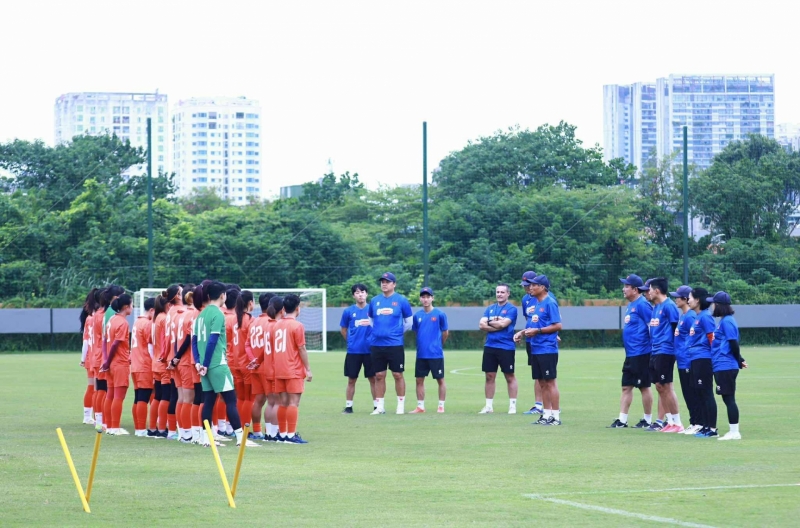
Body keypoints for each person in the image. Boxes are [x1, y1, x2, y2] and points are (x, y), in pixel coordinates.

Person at [192, 281, 252, 448]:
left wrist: (198, 363)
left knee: (209, 401)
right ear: (222, 295)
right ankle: (240, 438)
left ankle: (206, 438)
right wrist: (205, 363)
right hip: (217, 363)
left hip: (204, 366)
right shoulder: (218, 314)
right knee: (230, 400)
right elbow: (212, 340)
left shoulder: (200, 315)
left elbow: (194, 342)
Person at [607, 274, 654, 429]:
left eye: (626, 286)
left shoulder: (642, 304)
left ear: (635, 289)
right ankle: (622, 420)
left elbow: (652, 327)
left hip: (642, 353)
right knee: (626, 386)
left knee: (644, 386)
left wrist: (652, 349)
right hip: (631, 354)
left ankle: (647, 420)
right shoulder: (631, 305)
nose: (623, 289)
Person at [515, 275, 562, 425]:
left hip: (547, 348)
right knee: (542, 383)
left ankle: (556, 416)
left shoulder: (550, 303)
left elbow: (558, 325)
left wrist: (538, 331)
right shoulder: (537, 304)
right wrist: (522, 333)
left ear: (542, 287)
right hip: (535, 348)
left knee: (550, 382)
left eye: (534, 285)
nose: (530, 287)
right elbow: (534, 325)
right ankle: (546, 415)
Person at [368, 272, 413, 415]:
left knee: (397, 374)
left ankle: (400, 406)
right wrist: (378, 332)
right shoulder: (374, 301)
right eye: (382, 281)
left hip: (395, 344)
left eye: (387, 281)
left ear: (394, 284)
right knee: (379, 375)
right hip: (377, 344)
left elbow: (409, 322)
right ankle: (380, 407)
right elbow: (370, 320)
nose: (384, 284)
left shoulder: (401, 300)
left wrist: (397, 333)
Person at [708, 291, 748, 441]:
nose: (712, 306)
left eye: (714, 304)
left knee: (729, 399)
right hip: (721, 365)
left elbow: (733, 343)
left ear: (719, 305)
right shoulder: (724, 321)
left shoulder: (727, 321)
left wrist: (737, 360)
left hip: (726, 365)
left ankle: (734, 432)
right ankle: (733, 431)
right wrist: (740, 359)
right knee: (727, 398)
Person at [273, 294, 313, 443]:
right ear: (298, 308)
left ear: (283, 308)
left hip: (279, 368)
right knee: (293, 403)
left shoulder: (276, 324)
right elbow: (301, 348)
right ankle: (291, 435)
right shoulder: (297, 326)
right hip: (293, 369)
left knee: (283, 402)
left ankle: (282, 434)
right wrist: (308, 369)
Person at [647, 278, 683, 433]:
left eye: (649, 289)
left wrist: (675, 349)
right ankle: (670, 421)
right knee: (659, 386)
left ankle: (678, 422)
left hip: (666, 350)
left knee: (667, 386)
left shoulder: (669, 306)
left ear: (657, 290)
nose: (648, 292)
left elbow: (676, 329)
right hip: (655, 350)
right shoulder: (656, 307)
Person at [481, 283, 519, 414]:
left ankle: (512, 406)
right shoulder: (490, 308)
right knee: (489, 376)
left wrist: (490, 323)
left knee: (509, 376)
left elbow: (503, 324)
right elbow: (481, 325)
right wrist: (496, 325)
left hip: (506, 347)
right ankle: (488, 406)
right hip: (490, 346)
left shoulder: (512, 309)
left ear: (508, 294)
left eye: (502, 292)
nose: (499, 294)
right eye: (498, 292)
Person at [410, 287, 449, 414]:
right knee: (419, 380)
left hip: (435, 354)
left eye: (428, 297)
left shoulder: (440, 314)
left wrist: (438, 345)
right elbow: (417, 332)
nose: (425, 299)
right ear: (420, 299)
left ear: (432, 298)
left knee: (440, 379)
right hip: (421, 354)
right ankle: (420, 406)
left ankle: (441, 406)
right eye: (423, 297)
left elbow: (445, 333)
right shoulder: (417, 316)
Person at [686, 287, 718, 438]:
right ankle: (705, 426)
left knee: (706, 393)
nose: (688, 300)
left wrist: (714, 358)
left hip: (703, 359)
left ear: (697, 300)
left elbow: (712, 339)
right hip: (695, 358)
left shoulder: (705, 317)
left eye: (690, 297)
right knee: (699, 393)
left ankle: (712, 428)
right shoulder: (698, 316)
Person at [100, 294, 133, 435]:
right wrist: (107, 361)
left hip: (111, 363)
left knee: (110, 395)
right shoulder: (123, 323)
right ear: (126, 307)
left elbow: (104, 342)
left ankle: (108, 426)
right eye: (132, 305)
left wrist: (106, 360)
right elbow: (115, 344)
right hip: (119, 363)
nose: (132, 307)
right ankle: (115, 427)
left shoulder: (111, 320)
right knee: (118, 396)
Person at [340, 284, 376, 414]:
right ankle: (348, 406)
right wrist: (351, 341)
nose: (360, 295)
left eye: (362, 292)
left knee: (373, 379)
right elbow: (343, 330)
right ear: (353, 296)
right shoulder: (348, 311)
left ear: (366, 294)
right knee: (351, 379)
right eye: (357, 292)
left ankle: (377, 406)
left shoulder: (373, 310)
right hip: (354, 351)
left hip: (370, 351)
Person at [671, 285, 702, 435]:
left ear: (685, 299)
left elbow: (695, 337)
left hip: (688, 361)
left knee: (692, 394)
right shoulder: (683, 316)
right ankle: (694, 422)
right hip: (681, 361)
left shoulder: (690, 316)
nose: (675, 300)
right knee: (687, 393)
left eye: (677, 297)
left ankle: (698, 422)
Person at [248, 292, 275, 440]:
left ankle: (257, 431)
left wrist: (253, 359)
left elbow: (247, 344)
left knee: (258, 400)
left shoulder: (254, 322)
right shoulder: (271, 323)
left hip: (255, 367)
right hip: (267, 366)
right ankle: (271, 432)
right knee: (272, 401)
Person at [520, 271, 543, 416]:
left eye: (529, 285)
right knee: (536, 373)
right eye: (525, 285)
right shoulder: (525, 299)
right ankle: (538, 405)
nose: (527, 288)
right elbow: (528, 318)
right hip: (530, 340)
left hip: (543, 341)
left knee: (546, 374)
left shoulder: (545, 297)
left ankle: (551, 406)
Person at [131, 297, 155, 437]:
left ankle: (138, 428)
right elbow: (150, 346)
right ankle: (141, 429)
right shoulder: (147, 324)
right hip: (144, 364)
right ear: (151, 310)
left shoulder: (137, 321)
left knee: (138, 397)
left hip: (135, 364)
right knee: (143, 398)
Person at [79, 289, 99, 425]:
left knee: (91, 387)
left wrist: (82, 358)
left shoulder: (89, 318)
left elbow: (85, 341)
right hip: (97, 357)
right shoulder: (98, 318)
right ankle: (99, 417)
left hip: (89, 357)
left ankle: (87, 416)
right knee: (99, 389)